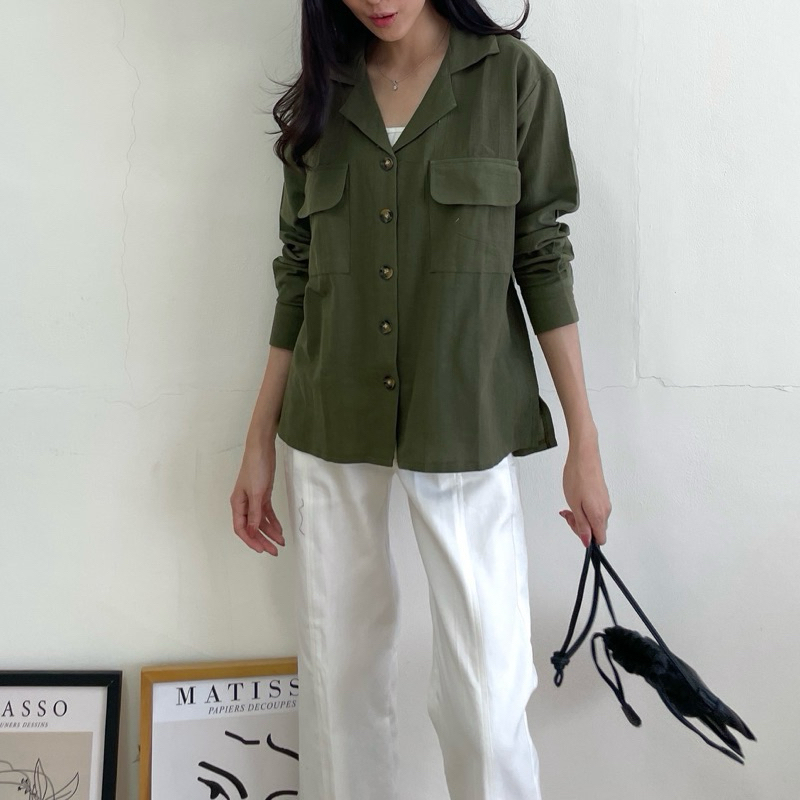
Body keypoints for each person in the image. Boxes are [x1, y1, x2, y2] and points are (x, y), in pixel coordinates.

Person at [231, 1, 612, 798]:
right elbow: (297, 269)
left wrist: (585, 440)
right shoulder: (326, 94)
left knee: (487, 693)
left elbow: (542, 254)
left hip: (465, 417)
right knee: (336, 679)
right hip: (330, 419)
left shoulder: (512, 80)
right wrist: (258, 437)